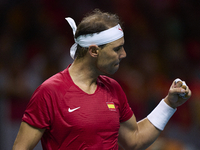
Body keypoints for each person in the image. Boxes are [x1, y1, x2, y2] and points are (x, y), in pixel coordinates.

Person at [12, 9, 191, 150]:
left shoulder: (114, 88)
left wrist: (169, 104)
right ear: (94, 51)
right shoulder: (49, 92)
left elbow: (134, 140)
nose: (124, 54)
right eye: (117, 49)